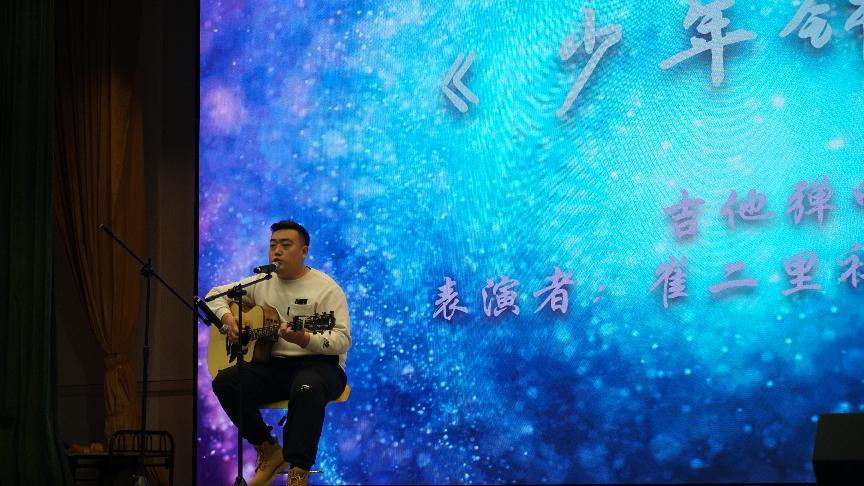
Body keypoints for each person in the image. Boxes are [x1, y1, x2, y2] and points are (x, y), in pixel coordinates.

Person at [207, 220, 350, 486]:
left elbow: (341, 340)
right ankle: (268, 448)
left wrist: (305, 338)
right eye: (273, 245)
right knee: (225, 381)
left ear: (304, 251)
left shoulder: (327, 288)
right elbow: (214, 296)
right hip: (274, 366)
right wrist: (228, 319)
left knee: (306, 387)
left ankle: (298, 470)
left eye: (285, 245)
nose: (277, 251)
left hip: (321, 366)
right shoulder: (261, 282)